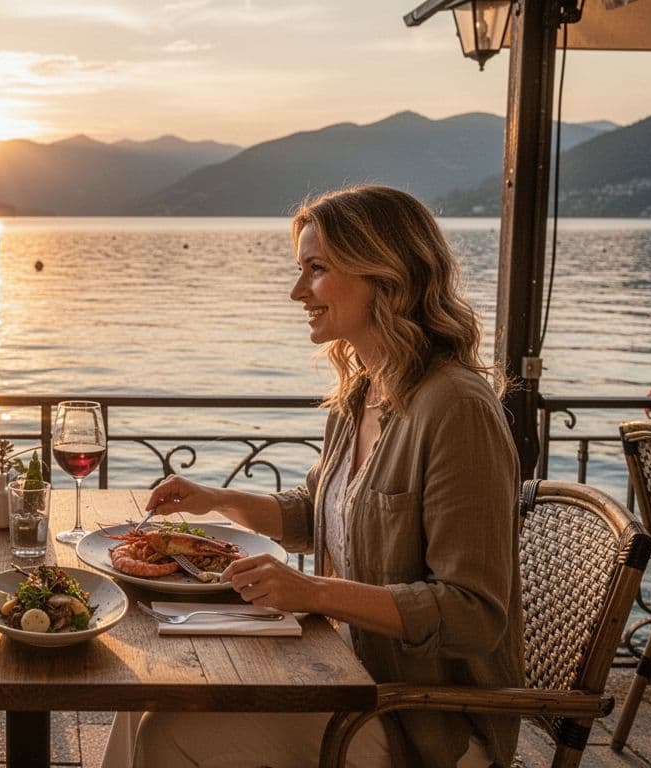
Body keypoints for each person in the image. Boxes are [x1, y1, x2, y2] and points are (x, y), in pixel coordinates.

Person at [103, 185, 522, 768]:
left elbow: (473, 613)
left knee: (169, 734)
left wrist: (312, 592)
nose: (298, 291)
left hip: (422, 720)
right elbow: (314, 511)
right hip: (342, 668)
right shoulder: (362, 394)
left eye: (317, 269)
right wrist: (213, 499)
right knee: (148, 691)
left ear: (385, 274)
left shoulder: (456, 408)